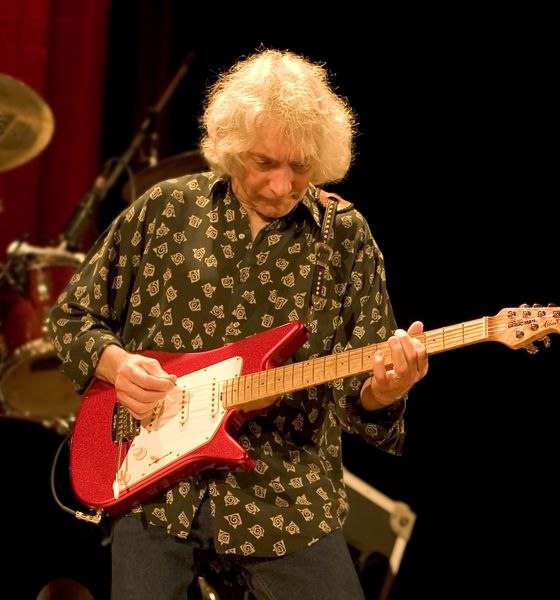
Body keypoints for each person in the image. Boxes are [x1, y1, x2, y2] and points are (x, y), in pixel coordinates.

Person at [48, 48, 429, 600]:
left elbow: (359, 396)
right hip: (155, 491)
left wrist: (385, 389)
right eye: (263, 163)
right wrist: (117, 362)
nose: (281, 184)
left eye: (300, 166)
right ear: (229, 150)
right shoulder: (166, 210)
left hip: (286, 496)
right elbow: (71, 317)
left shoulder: (344, 237)